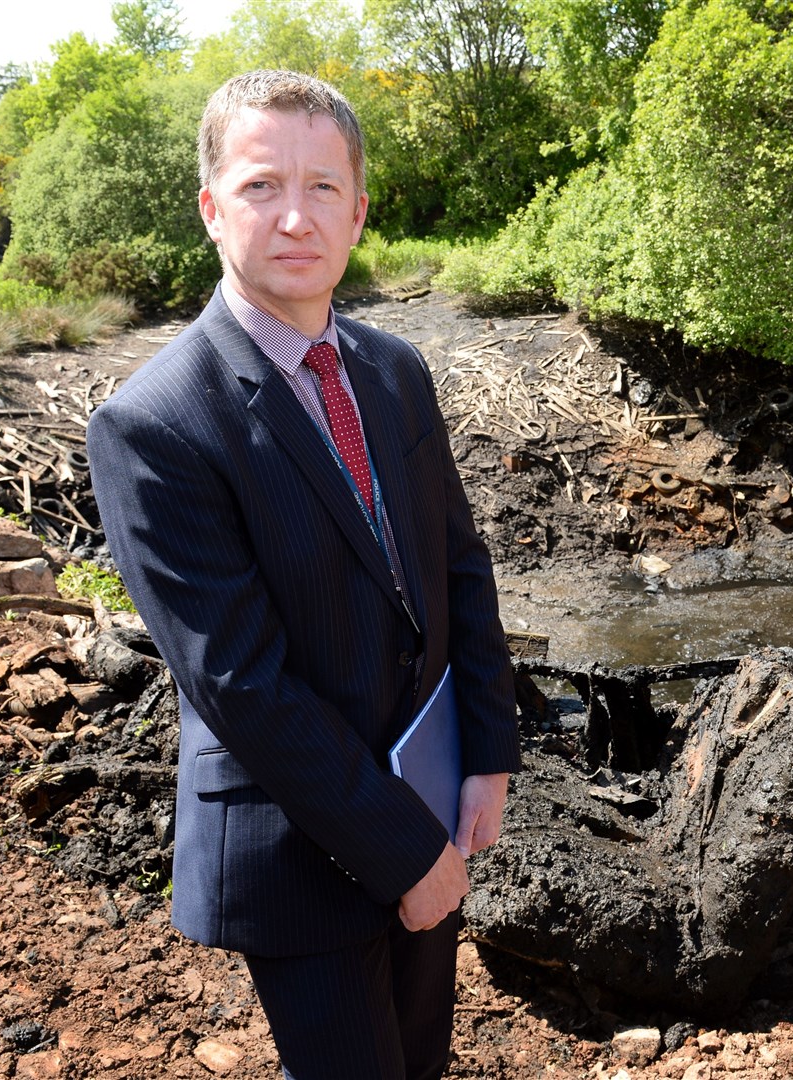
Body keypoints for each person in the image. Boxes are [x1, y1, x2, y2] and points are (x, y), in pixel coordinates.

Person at [86, 70, 520, 1080]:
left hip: (427, 801)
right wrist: (402, 852)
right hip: (297, 848)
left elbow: (457, 564)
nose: (295, 216)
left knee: (418, 1062)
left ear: (360, 211)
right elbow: (239, 682)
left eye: (324, 187)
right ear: (210, 207)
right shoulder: (155, 423)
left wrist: (488, 750)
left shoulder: (393, 370)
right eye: (260, 185)